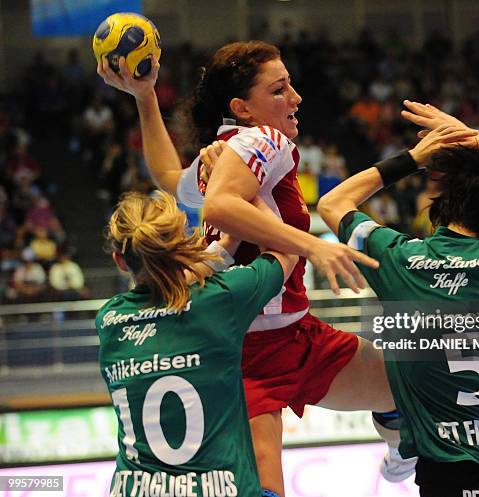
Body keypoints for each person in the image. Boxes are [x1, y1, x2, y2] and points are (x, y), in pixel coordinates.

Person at [97, 40, 409, 496]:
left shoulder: (224, 152)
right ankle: (405, 444)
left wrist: (144, 97)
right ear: (242, 107)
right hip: (246, 348)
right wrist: (315, 248)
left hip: (297, 333)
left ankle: (404, 447)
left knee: (405, 386)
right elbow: (220, 208)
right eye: (280, 90)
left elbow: (167, 178)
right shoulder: (264, 139)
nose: (296, 98)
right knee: (265, 486)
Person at [318, 101, 479, 497]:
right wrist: (474, 138)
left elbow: (332, 203)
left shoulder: (399, 259)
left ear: (439, 210)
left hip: (449, 474)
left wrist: (413, 158)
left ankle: (396, 435)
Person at [97, 190, 297, 497]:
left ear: (120, 261)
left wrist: (225, 248)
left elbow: (171, 282)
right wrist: (244, 191)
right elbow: (286, 251)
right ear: (183, 246)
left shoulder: (109, 320)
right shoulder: (221, 299)